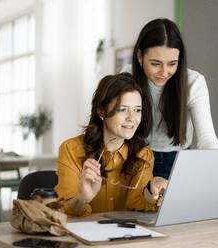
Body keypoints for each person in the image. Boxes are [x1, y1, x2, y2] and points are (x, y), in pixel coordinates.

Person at [55, 73, 167, 217]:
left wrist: (151, 191)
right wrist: (83, 199)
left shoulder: (144, 155)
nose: (132, 118)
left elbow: (137, 204)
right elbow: (64, 211)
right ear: (101, 110)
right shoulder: (71, 149)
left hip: (127, 236)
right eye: (122, 109)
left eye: (137, 110)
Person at [122, 18, 218, 179]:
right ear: (140, 56)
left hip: (178, 161)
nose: (164, 72)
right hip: (136, 157)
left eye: (172, 64)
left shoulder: (194, 82)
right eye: (155, 63)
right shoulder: (126, 78)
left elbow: (207, 139)